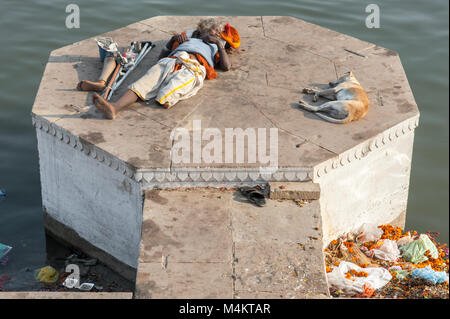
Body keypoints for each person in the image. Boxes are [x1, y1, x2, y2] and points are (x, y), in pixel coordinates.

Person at [77, 18, 238, 120]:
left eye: (219, 32)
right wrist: (172, 41)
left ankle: (164, 94)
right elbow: (160, 57)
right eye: (214, 30)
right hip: (172, 59)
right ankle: (114, 107)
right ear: (203, 29)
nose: (217, 33)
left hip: (193, 68)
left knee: (165, 96)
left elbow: (226, 67)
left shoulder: (217, 46)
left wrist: (217, 44)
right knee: (143, 83)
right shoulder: (188, 37)